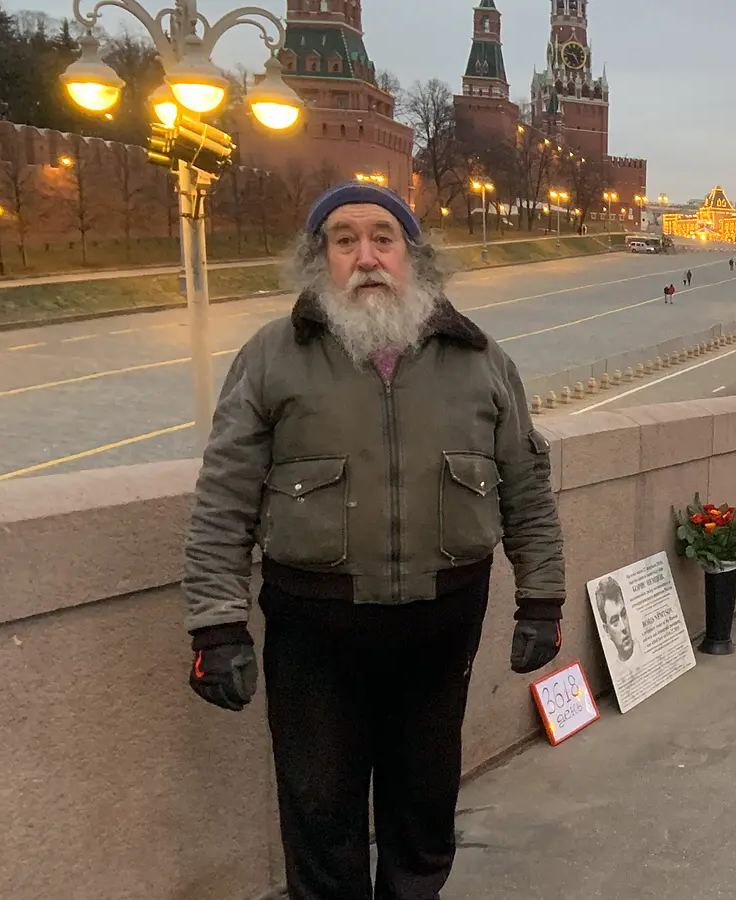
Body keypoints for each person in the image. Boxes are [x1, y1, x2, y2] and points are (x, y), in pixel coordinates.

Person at [182, 181, 567, 900]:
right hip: (313, 628)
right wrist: (216, 624)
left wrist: (542, 601)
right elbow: (224, 500)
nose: (366, 257)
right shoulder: (272, 356)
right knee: (319, 808)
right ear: (319, 259)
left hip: (441, 624)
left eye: (383, 239)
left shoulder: (479, 359)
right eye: (345, 241)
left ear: (413, 257)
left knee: (423, 805)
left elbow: (527, 492)